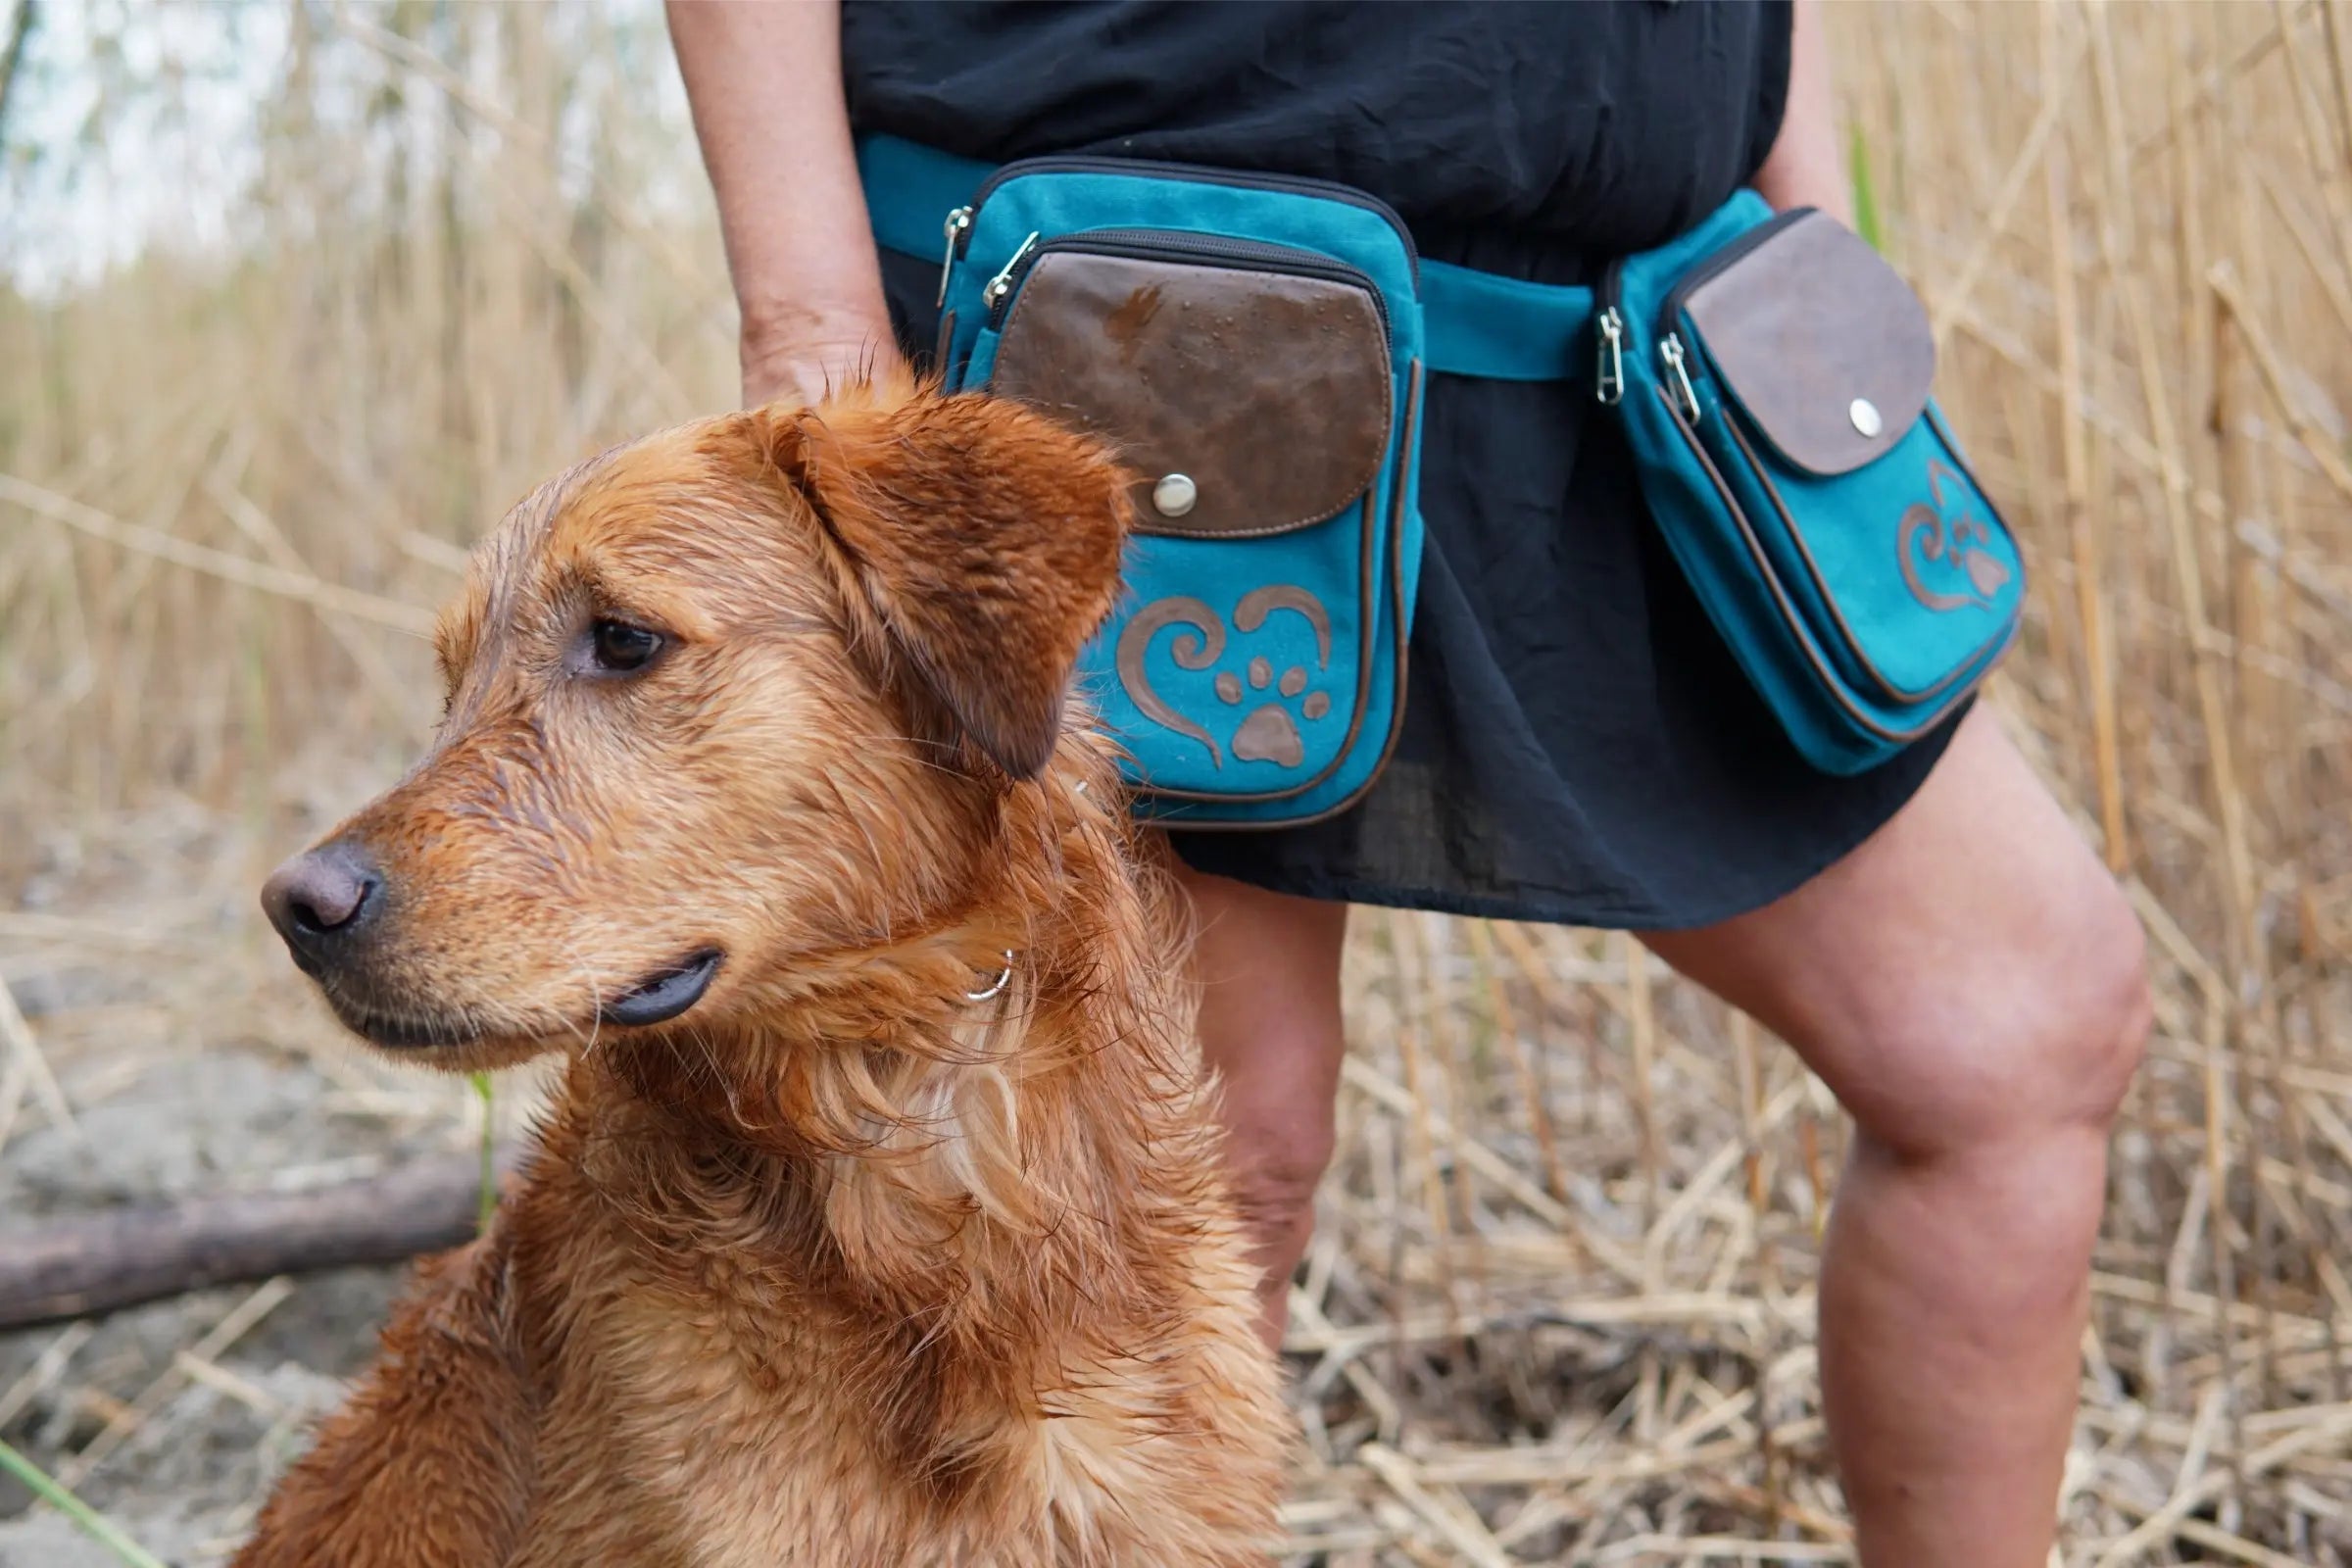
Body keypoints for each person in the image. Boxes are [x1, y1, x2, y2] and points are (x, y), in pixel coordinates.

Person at [664, 6, 2152, 1565]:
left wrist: (1793, 182)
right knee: (1209, 1158)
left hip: (1636, 345)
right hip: (1142, 328)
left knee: (2018, 1022)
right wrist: (812, 329)